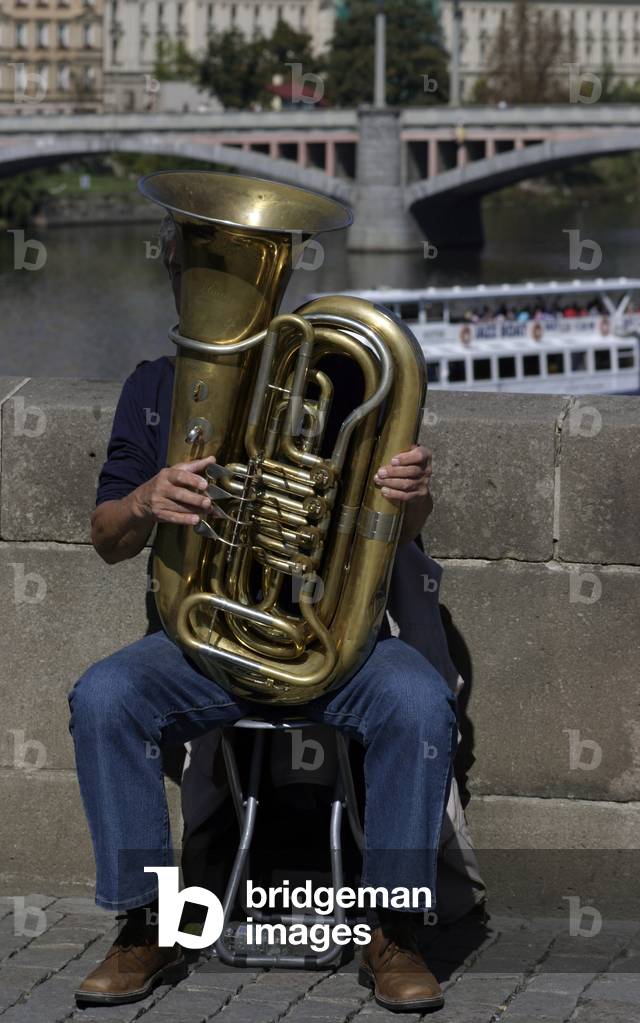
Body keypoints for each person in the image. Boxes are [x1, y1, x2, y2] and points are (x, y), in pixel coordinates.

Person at [67, 215, 459, 1014]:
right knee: (104, 696)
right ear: (174, 258)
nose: (216, 273)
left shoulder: (339, 377)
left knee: (418, 700)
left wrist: (411, 499)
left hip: (329, 644)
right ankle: (145, 924)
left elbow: (395, 530)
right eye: (202, 251)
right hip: (201, 642)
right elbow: (107, 536)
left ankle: (392, 932)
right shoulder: (151, 387)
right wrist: (146, 501)